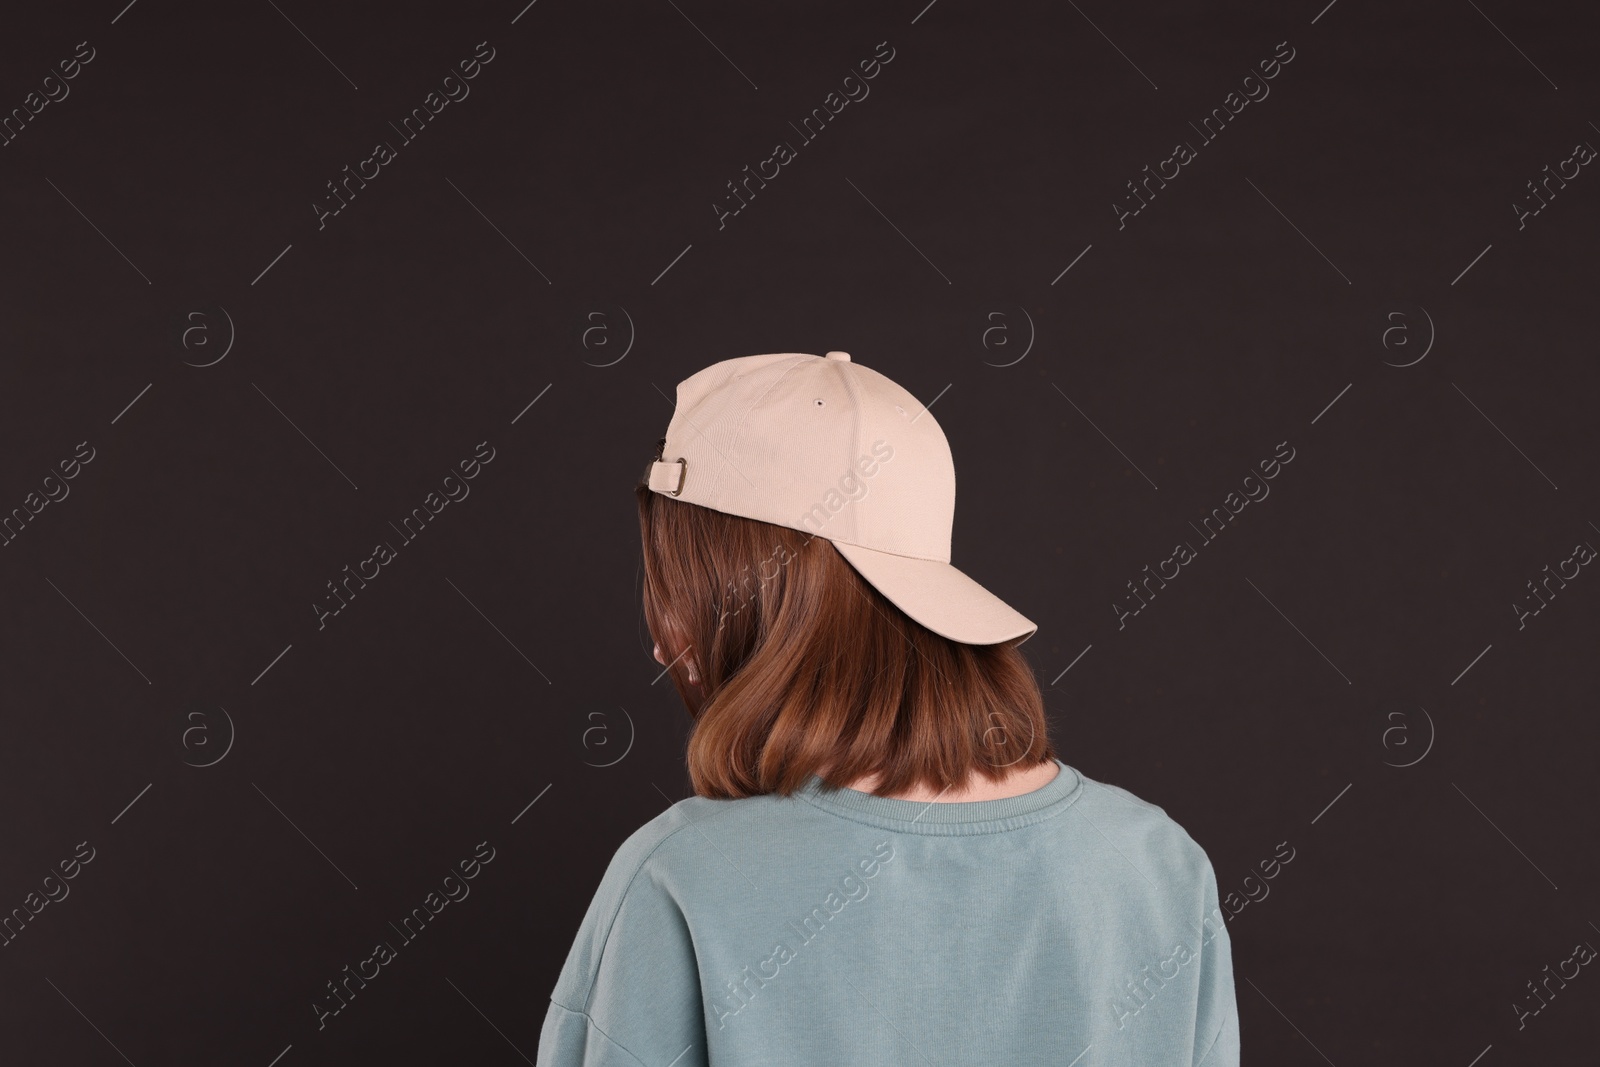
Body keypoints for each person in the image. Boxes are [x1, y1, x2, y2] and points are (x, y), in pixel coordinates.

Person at [536, 351, 1240, 1066]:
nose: (662, 644)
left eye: (681, 588)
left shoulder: (677, 878)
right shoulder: (1158, 870)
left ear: (759, 593)